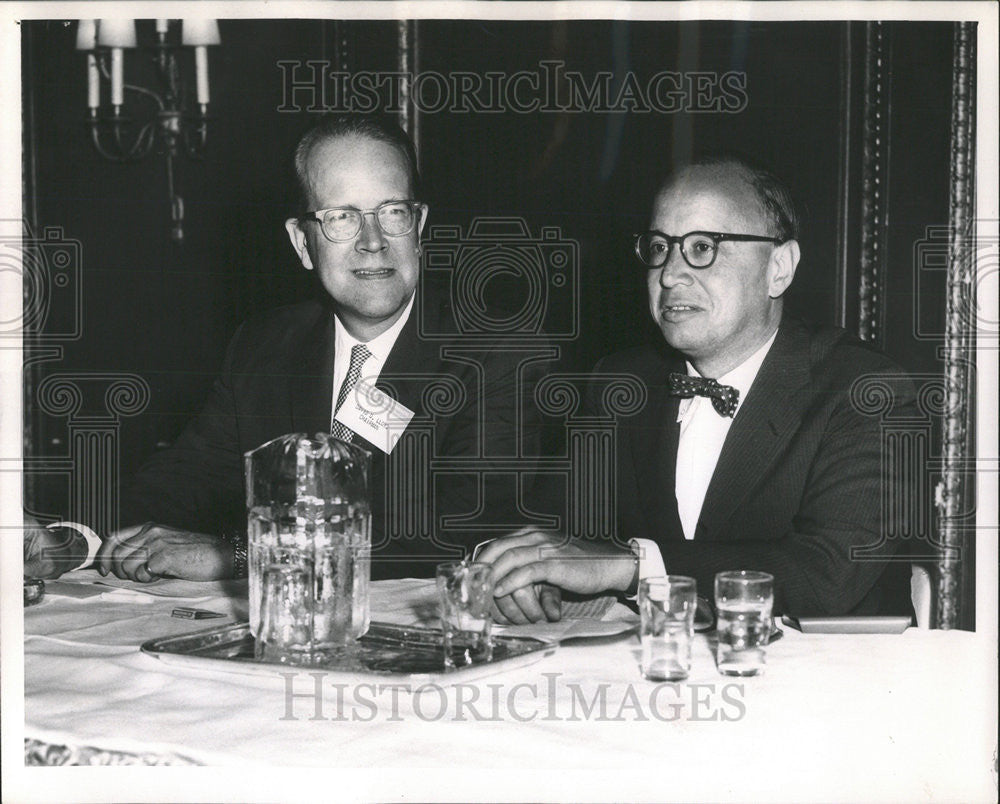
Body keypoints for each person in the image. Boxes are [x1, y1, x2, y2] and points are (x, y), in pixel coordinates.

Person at [78, 115, 542, 582]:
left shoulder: (496, 352)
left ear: (418, 227)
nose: (373, 241)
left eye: (393, 212)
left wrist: (241, 554)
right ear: (303, 242)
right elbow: (184, 479)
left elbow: (462, 530)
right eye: (341, 217)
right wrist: (73, 537)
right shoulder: (265, 346)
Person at [479, 155, 915, 623]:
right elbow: (550, 530)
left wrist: (632, 566)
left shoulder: (866, 389)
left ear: (779, 267)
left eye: (703, 247)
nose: (669, 274)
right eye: (660, 247)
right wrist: (516, 571)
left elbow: (824, 577)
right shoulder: (619, 381)